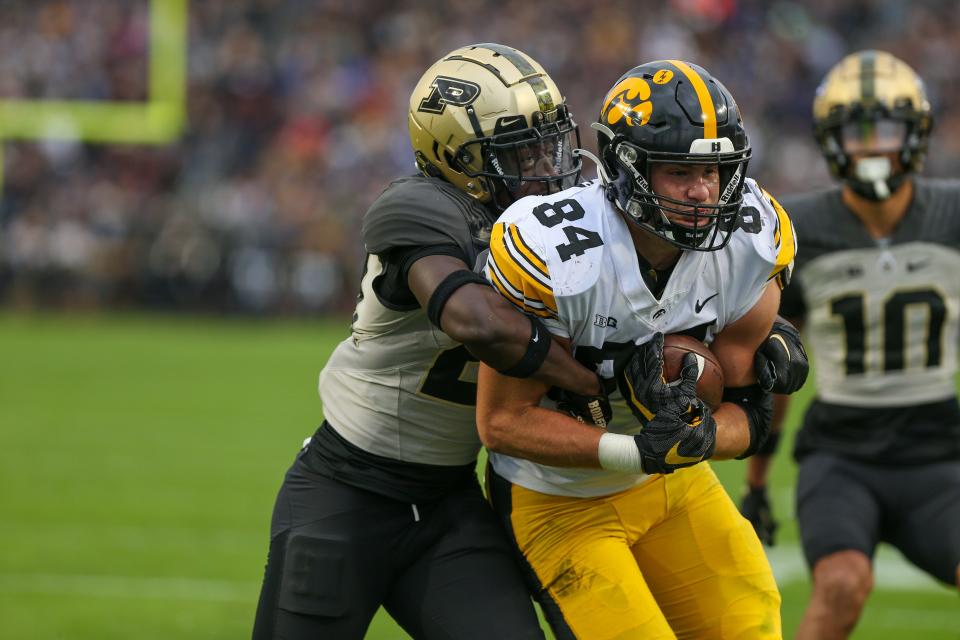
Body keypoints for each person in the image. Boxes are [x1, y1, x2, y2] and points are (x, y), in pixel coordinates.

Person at [251, 43, 602, 640]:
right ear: (456, 156)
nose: (546, 166)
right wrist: (592, 380)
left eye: (551, 144)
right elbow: (477, 322)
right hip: (345, 496)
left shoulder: (551, 223)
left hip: (447, 506)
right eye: (523, 150)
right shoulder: (417, 207)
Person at [476, 60, 797, 639]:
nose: (704, 191)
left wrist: (697, 438)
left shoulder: (751, 239)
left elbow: (750, 418)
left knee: (750, 624)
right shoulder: (557, 249)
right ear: (627, 168)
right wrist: (637, 450)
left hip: (672, 486)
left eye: (716, 171)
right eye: (680, 171)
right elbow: (501, 422)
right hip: (556, 498)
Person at [740, 49, 960, 639]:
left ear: (915, 134)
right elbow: (777, 364)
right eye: (855, 133)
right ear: (829, 140)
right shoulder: (801, 228)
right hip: (842, 457)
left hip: (937, 454)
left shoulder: (952, 214)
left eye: (886, 130)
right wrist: (758, 481)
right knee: (841, 586)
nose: (871, 147)